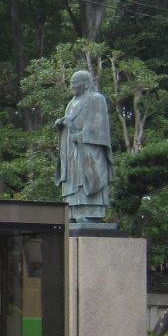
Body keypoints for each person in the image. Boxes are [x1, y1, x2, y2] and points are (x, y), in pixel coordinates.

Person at [55, 68, 113, 225]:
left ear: (86, 84)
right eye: (71, 83)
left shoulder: (96, 99)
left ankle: (91, 212)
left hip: (87, 149)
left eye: (75, 83)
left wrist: (76, 134)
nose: (72, 86)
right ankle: (72, 211)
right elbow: (69, 123)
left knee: (86, 176)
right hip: (71, 150)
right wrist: (62, 125)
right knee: (72, 181)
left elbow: (98, 128)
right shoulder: (71, 103)